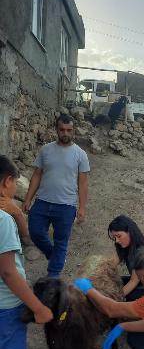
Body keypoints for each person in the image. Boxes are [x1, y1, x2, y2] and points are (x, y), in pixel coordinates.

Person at [0, 155, 62, 349]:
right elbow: (9, 271)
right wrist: (37, 306)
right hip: (6, 308)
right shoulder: (1, 220)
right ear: (6, 183)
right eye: (14, 182)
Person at [22, 114, 90, 278]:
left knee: (61, 241)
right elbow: (37, 174)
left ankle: (53, 276)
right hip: (42, 202)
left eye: (69, 130)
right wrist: (28, 198)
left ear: (73, 131)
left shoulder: (80, 154)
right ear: (56, 130)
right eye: (62, 130)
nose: (65, 133)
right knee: (36, 233)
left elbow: (83, 183)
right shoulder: (46, 150)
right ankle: (54, 256)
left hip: (66, 206)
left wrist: (82, 208)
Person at [108, 214, 144, 349]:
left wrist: (113, 301)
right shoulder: (126, 245)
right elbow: (113, 262)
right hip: (139, 283)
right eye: (114, 238)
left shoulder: (141, 252)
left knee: (118, 296)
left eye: (118, 236)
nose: (117, 241)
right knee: (114, 283)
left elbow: (133, 282)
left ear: (130, 231)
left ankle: (132, 315)